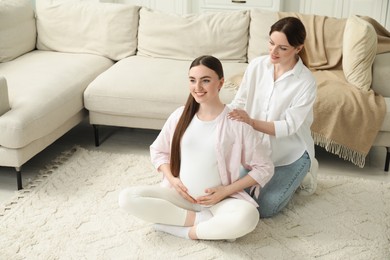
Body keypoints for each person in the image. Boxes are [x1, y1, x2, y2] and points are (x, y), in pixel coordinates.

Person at [118, 55, 274, 241]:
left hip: (220, 201)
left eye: (205, 80)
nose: (197, 88)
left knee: (249, 216)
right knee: (127, 198)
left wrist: (225, 191)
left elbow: (264, 167)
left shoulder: (236, 122)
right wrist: (173, 180)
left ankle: (182, 230)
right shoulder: (179, 116)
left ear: (220, 83)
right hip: (179, 197)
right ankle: (204, 222)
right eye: (193, 80)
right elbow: (158, 151)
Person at [228, 17, 317, 218]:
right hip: (258, 153)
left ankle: (302, 174)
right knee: (235, 196)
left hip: (289, 155)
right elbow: (239, 103)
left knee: (265, 208)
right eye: (271, 43)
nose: (273, 52)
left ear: (298, 48)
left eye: (282, 48)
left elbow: (288, 127)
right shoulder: (257, 66)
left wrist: (250, 122)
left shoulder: (306, 82)